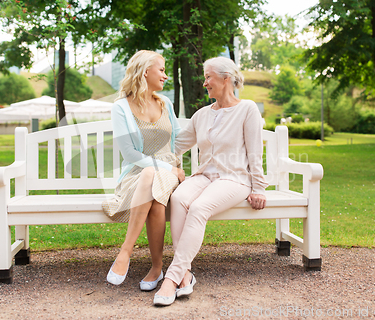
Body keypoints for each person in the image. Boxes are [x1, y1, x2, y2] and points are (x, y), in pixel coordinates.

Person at [153, 56, 268, 306]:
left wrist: (258, 188)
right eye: (205, 78)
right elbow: (176, 146)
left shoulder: (247, 109)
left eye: (208, 77)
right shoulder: (202, 115)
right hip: (205, 176)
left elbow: (255, 152)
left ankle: (171, 279)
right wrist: (146, 153)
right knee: (179, 198)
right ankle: (185, 273)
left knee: (198, 207)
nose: (205, 83)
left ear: (226, 79)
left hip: (234, 179)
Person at [102, 50, 185, 291]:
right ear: (145, 71)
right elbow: (130, 154)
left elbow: (179, 139)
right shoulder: (120, 108)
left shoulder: (165, 103)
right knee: (155, 197)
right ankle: (157, 267)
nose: (165, 76)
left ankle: (124, 254)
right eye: (161, 69)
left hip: (169, 173)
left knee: (155, 181)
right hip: (136, 174)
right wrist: (167, 167)